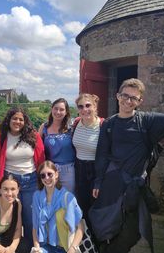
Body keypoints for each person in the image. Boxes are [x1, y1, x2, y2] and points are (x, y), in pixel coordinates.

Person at [92, 78, 164, 253]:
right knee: (107, 223)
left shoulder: (146, 121)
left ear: (140, 102)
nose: (128, 101)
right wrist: (98, 182)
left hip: (134, 186)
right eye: (125, 96)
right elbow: (102, 154)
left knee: (133, 231)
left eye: (134, 98)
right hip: (112, 182)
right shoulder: (109, 124)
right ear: (117, 96)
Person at [0, 107, 45, 246]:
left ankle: (34, 247)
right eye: (15, 118)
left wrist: (43, 179)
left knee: (30, 218)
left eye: (21, 119)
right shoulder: (2, 136)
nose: (17, 122)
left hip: (30, 180)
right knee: (12, 217)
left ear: (25, 121)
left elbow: (42, 157)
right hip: (10, 182)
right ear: (9, 120)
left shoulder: (33, 136)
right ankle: (12, 247)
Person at [32, 161, 84, 253]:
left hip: (66, 248)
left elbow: (80, 227)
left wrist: (72, 249)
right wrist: (37, 248)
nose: (46, 178)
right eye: (43, 175)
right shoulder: (37, 196)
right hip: (46, 246)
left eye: (50, 174)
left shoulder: (68, 197)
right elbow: (35, 227)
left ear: (56, 174)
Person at [72, 94, 103, 228]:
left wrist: (100, 181)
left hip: (96, 170)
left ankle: (99, 241)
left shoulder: (103, 125)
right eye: (81, 106)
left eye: (88, 105)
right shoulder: (76, 122)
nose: (85, 109)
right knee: (82, 205)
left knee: (96, 207)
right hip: (79, 169)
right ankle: (86, 240)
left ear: (95, 106)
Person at [39, 98, 77, 193]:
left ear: (66, 112)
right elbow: (37, 147)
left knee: (67, 198)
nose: (58, 112)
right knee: (51, 198)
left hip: (68, 170)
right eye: (56, 108)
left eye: (61, 109)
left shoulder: (71, 128)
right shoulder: (44, 127)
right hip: (50, 170)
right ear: (52, 109)